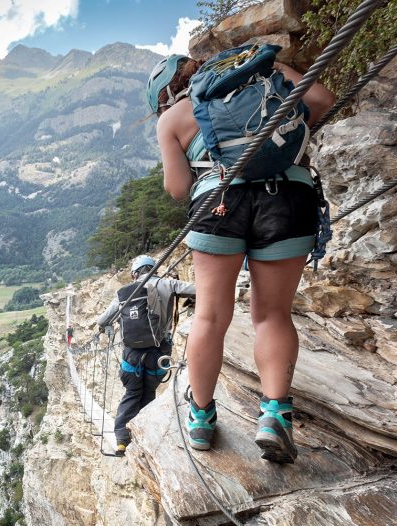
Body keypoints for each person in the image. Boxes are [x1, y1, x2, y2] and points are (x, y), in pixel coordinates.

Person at [146, 52, 335, 463]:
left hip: (219, 203)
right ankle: (274, 417)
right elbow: (320, 98)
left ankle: (200, 418)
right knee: (272, 315)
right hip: (288, 198)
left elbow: (178, 188)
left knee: (210, 316)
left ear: (165, 94)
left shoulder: (172, 118)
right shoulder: (263, 76)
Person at [97, 255, 195, 456]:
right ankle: (146, 436)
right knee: (149, 392)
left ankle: (122, 441)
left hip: (131, 355)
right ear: (153, 269)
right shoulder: (166, 283)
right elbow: (199, 289)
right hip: (158, 353)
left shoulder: (124, 294)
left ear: (134, 274)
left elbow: (103, 319)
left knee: (132, 393)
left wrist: (104, 327)